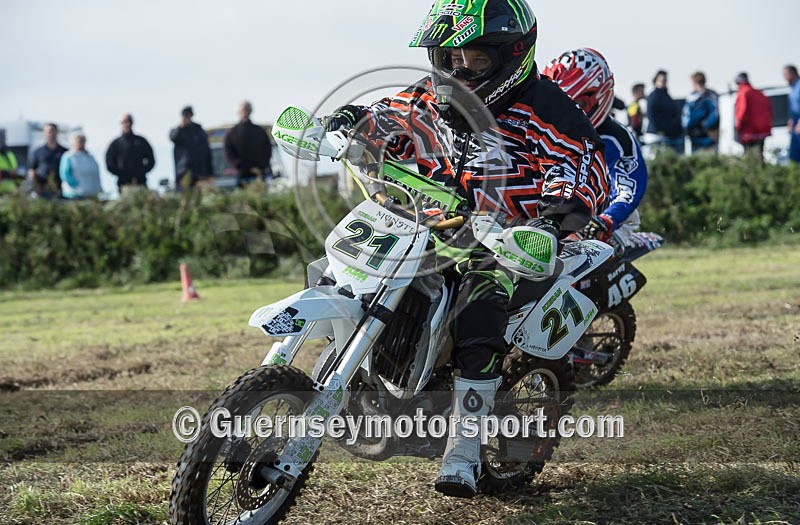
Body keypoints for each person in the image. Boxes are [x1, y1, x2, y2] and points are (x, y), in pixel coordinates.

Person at [326, 0, 608, 498]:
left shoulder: (549, 109)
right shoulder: (430, 97)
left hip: (506, 240)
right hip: (421, 220)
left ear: (512, 53)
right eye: (449, 57)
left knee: (479, 313)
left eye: (475, 59)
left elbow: (582, 173)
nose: (460, 68)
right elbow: (386, 118)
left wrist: (551, 219)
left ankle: (462, 448)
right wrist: (349, 121)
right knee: (336, 271)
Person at [542, 48, 647, 248]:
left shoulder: (617, 139)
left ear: (597, 97)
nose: (568, 112)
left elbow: (628, 187)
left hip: (606, 223)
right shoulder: (540, 132)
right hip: (553, 217)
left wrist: (607, 219)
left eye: (577, 103)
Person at [223, 100, 271, 187]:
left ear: (250, 111)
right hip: (241, 175)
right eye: (243, 110)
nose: (245, 112)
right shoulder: (232, 133)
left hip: (259, 173)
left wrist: (261, 167)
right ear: (238, 112)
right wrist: (242, 167)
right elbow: (228, 152)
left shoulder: (259, 131)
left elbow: (267, 150)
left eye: (247, 110)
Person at [105, 113, 155, 192]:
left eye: (129, 121)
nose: (127, 124)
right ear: (121, 124)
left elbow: (151, 159)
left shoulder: (141, 141)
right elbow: (109, 162)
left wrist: (142, 172)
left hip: (140, 182)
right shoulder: (115, 144)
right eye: (124, 122)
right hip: (123, 184)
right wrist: (120, 173)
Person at [169, 105, 212, 190]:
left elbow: (207, 152)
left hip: (200, 173)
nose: (187, 118)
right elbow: (173, 137)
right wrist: (180, 127)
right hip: (184, 172)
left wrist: (209, 173)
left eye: (188, 115)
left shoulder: (199, 131)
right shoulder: (178, 131)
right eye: (185, 115)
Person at [733, 72, 773, 160]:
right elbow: (769, 111)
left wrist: (738, 127)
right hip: (762, 131)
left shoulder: (743, 93)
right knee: (760, 155)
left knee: (750, 158)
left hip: (749, 132)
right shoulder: (760, 93)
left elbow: (742, 113)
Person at [646, 70, 684, 153]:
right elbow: (652, 116)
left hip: (667, 135)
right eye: (661, 80)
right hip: (658, 135)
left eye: (665, 80)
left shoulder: (666, 96)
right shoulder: (654, 96)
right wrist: (663, 129)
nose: (663, 82)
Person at [682, 71, 719, 153]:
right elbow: (686, 116)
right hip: (693, 135)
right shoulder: (691, 97)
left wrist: (705, 126)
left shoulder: (710, 96)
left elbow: (715, 114)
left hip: (707, 137)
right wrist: (687, 129)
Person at [27, 122, 67, 198]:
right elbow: (31, 170)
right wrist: (36, 185)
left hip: (60, 189)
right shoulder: (38, 151)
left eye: (53, 131)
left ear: (57, 132)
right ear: (44, 133)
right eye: (48, 131)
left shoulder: (65, 152)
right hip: (42, 189)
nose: (50, 134)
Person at [59, 132, 102, 199]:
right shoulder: (69, 156)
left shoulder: (90, 156)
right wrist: (76, 185)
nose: (81, 143)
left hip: (91, 193)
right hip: (75, 193)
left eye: (82, 141)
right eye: (78, 141)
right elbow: (65, 174)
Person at [784, 64, 800, 164]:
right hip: (795, 128)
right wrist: (790, 120)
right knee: (794, 157)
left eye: (785, 74)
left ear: (791, 74)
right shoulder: (793, 88)